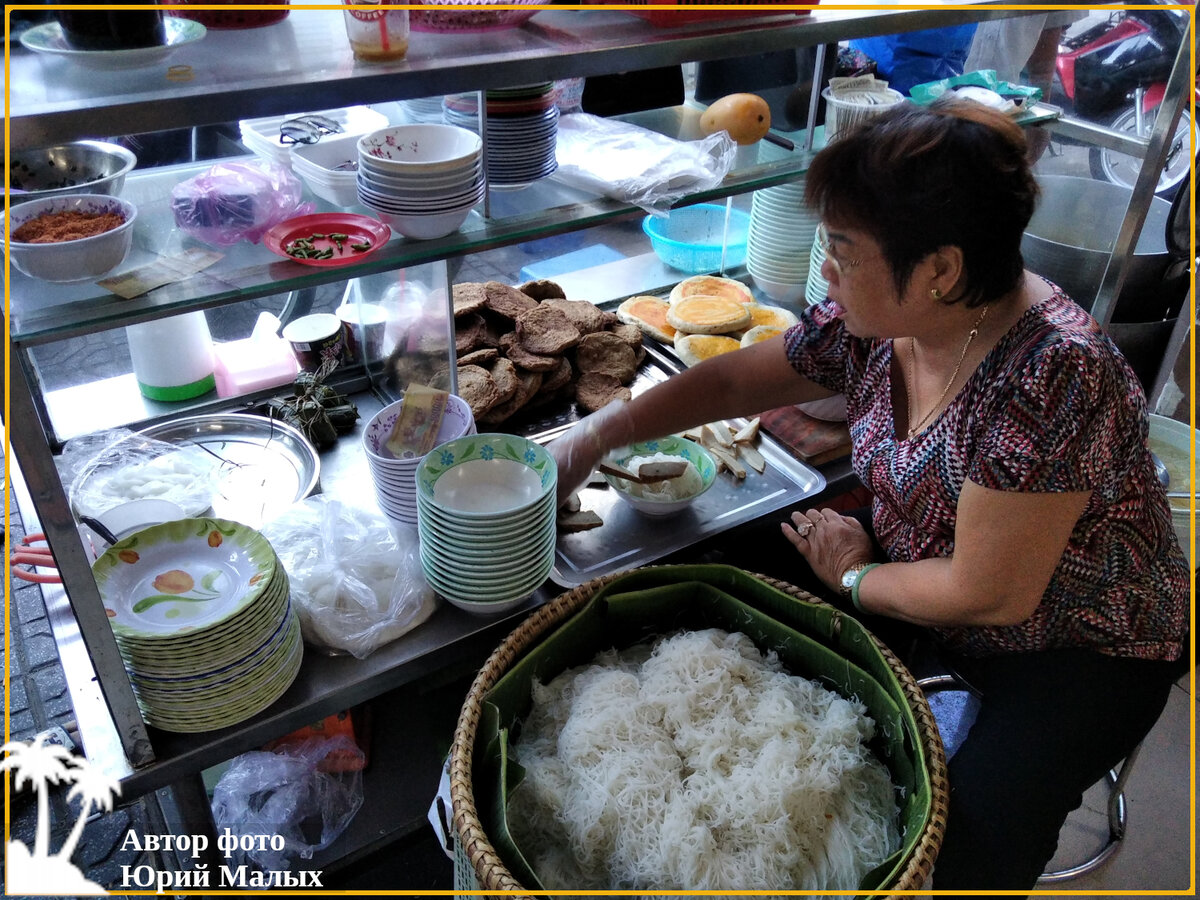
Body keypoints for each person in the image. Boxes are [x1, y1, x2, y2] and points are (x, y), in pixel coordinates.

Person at [549, 96, 1190, 894]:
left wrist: (853, 577)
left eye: (843, 251)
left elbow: (987, 591)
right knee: (703, 608)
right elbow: (742, 375)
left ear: (941, 269)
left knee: (968, 844)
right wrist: (603, 433)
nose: (827, 271)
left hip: (1082, 641)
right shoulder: (883, 319)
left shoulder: (1051, 372)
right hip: (920, 571)